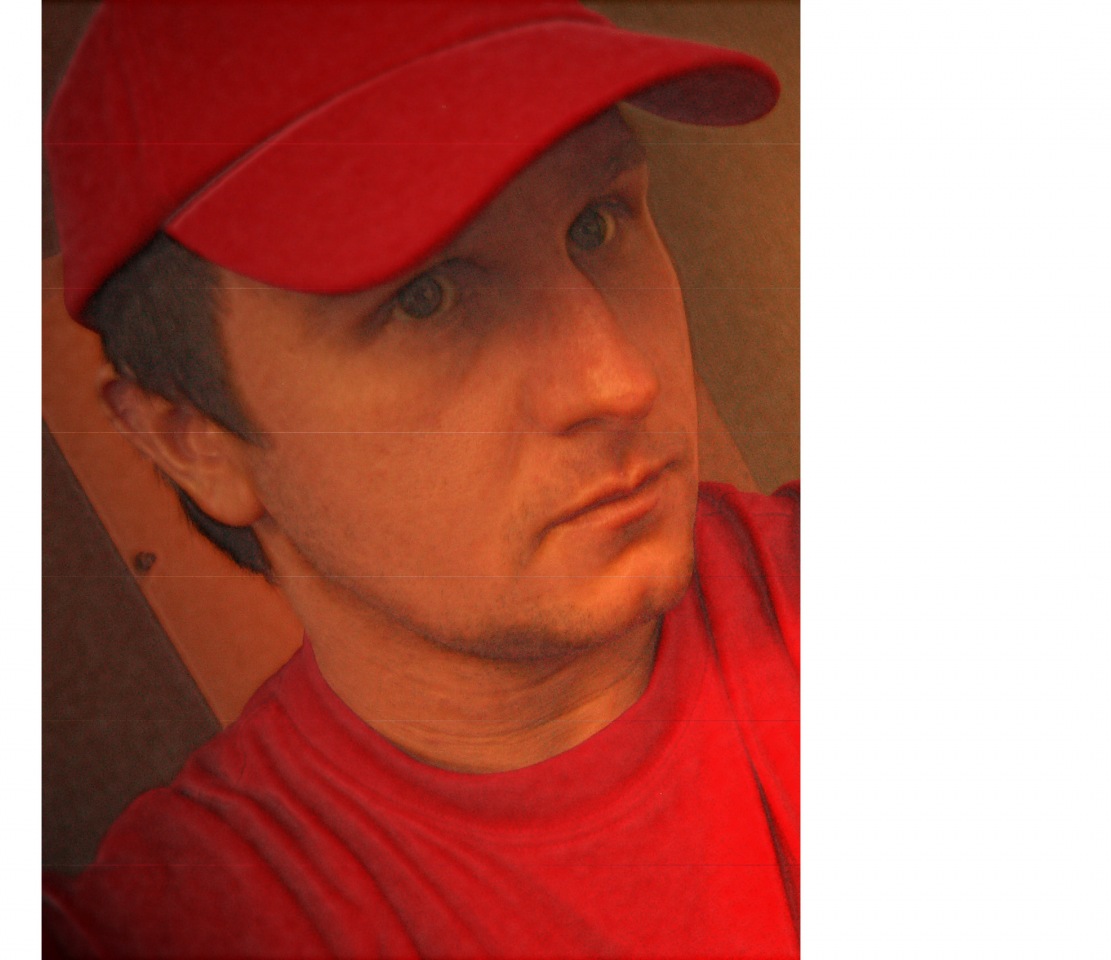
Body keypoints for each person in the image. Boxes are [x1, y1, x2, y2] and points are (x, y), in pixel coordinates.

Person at [42, 2, 799, 957]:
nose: (619, 380)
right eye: (425, 297)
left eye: (594, 225)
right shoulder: (185, 921)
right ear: (193, 440)